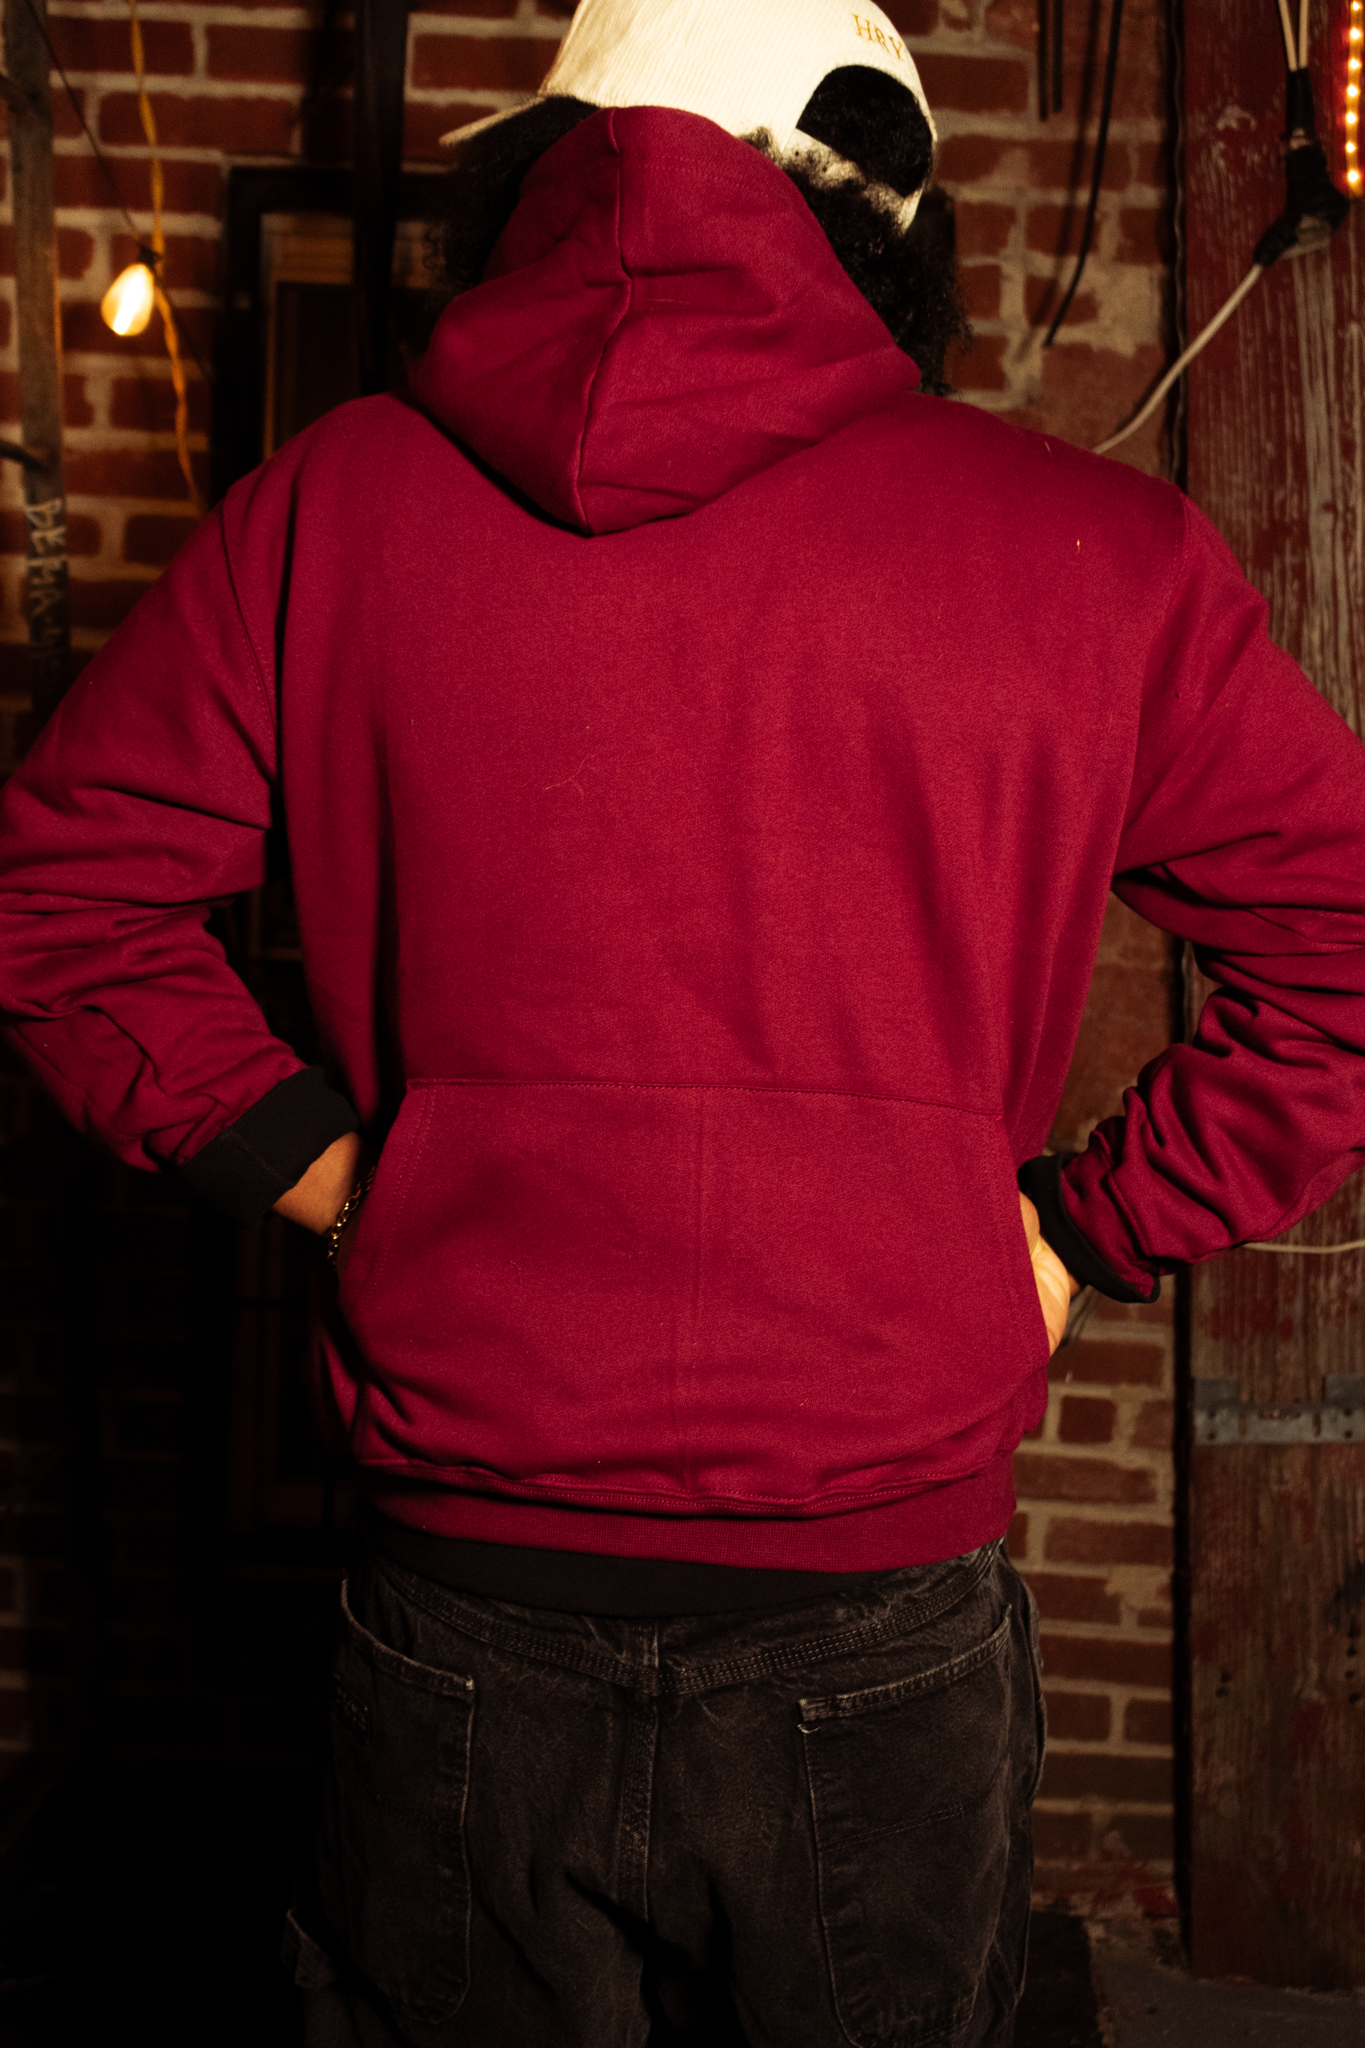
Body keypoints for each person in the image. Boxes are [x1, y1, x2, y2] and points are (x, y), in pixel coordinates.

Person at [2, 0, 1365, 2039]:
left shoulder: (330, 507)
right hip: (872, 1608)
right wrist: (1088, 1231)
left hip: (464, 1601)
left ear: (543, 174)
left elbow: (57, 898)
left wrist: (349, 1186)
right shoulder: (1090, 551)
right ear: (889, 210)